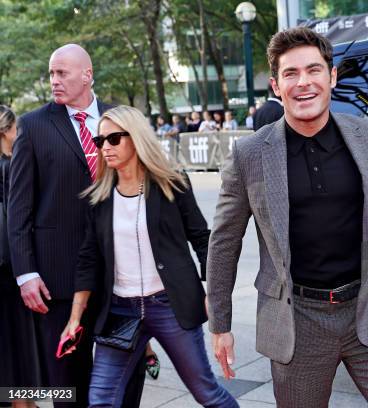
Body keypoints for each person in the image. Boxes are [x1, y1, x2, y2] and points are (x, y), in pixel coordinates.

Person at [206, 27, 368, 407]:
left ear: (332, 77)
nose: (303, 83)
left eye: (314, 70)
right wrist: (220, 324)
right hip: (297, 320)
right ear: (276, 85)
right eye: (291, 74)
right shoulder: (250, 155)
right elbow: (224, 241)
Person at [61, 105, 238, 408]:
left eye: (114, 139)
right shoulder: (100, 197)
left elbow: (201, 239)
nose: (105, 147)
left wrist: (214, 293)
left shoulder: (172, 183)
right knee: (101, 399)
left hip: (169, 306)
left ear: (137, 137)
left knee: (205, 391)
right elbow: (88, 260)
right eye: (99, 141)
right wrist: (75, 318)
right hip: (121, 311)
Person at [7, 44, 145, 408]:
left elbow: (150, 187)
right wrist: (26, 274)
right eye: (51, 73)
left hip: (123, 276)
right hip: (59, 280)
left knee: (126, 377)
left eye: (62, 73)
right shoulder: (34, 125)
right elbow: (18, 207)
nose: (54, 80)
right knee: (68, 384)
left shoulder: (123, 118)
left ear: (87, 74)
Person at [0, 106, 40, 408]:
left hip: (8, 263)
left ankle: (22, 399)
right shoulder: (12, 165)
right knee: (19, 335)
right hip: (13, 262)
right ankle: (22, 401)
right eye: (17, 130)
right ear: (6, 131)